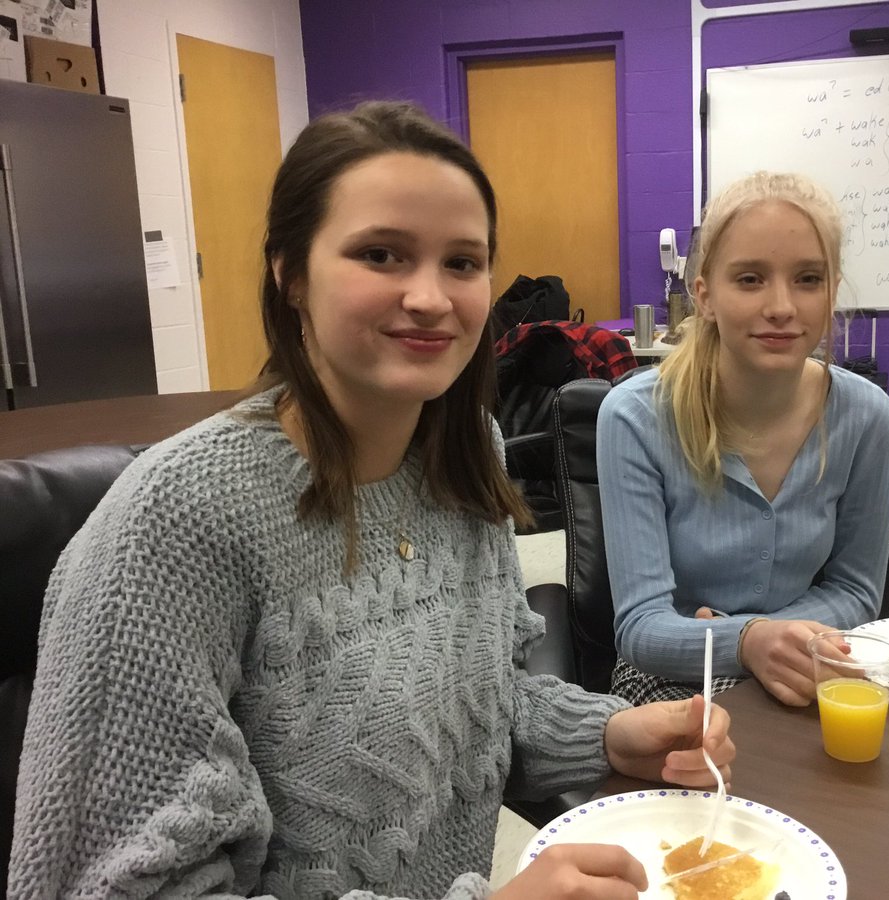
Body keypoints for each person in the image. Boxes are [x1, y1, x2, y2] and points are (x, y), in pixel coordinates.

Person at [8, 101, 734, 899]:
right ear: (290, 273)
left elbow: (475, 704)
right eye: (381, 254)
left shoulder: (468, 456)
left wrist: (610, 734)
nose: (429, 297)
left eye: (462, 262)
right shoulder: (178, 521)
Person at [596, 171, 889, 709]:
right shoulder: (634, 418)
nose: (782, 306)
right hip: (675, 672)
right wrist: (746, 641)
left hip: (808, 656)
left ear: (832, 291)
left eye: (808, 279)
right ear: (705, 296)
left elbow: (856, 591)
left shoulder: (866, 415)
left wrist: (772, 640)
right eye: (751, 279)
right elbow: (642, 627)